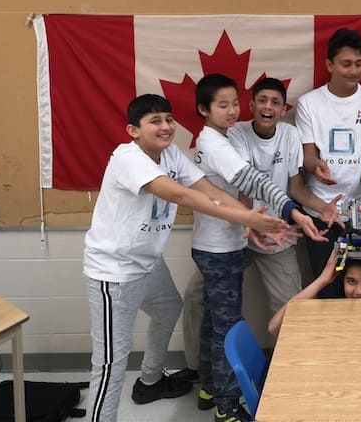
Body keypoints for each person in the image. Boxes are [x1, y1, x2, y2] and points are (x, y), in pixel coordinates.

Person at [83, 94, 290, 422]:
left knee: (168, 310)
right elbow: (180, 194)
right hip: (114, 273)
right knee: (111, 362)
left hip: (148, 264)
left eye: (168, 119)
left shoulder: (171, 154)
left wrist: (251, 219)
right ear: (134, 130)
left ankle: (150, 381)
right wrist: (246, 218)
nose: (166, 126)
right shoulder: (127, 158)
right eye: (155, 121)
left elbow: (211, 191)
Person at [192, 73, 325, 422]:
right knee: (223, 323)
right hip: (225, 244)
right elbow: (249, 182)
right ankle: (224, 404)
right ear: (204, 109)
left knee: (220, 320)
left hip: (238, 236)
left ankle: (216, 387)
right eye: (223, 105)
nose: (232, 111)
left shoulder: (220, 138)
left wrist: (265, 219)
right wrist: (280, 215)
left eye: (233, 103)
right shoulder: (220, 141)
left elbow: (225, 192)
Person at [229, 77, 341, 315]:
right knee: (199, 296)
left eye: (275, 102)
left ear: (283, 109)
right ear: (251, 105)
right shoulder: (237, 132)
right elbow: (245, 186)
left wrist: (324, 208)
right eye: (262, 100)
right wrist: (251, 221)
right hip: (239, 231)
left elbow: (297, 189)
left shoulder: (290, 134)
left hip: (278, 235)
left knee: (290, 309)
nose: (268, 107)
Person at [295, 28, 361, 297]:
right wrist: (316, 166)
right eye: (346, 64)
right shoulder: (309, 104)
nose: (353, 71)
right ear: (329, 65)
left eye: (358, 63)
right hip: (322, 211)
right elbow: (308, 155)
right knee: (328, 289)